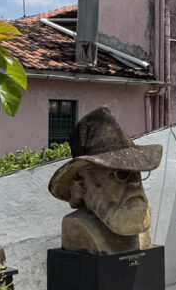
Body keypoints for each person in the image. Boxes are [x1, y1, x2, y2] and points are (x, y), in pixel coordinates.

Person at [48, 107, 162, 255]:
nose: (134, 183)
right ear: (82, 181)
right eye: (120, 173)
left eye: (137, 173)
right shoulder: (78, 226)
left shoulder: (139, 222)